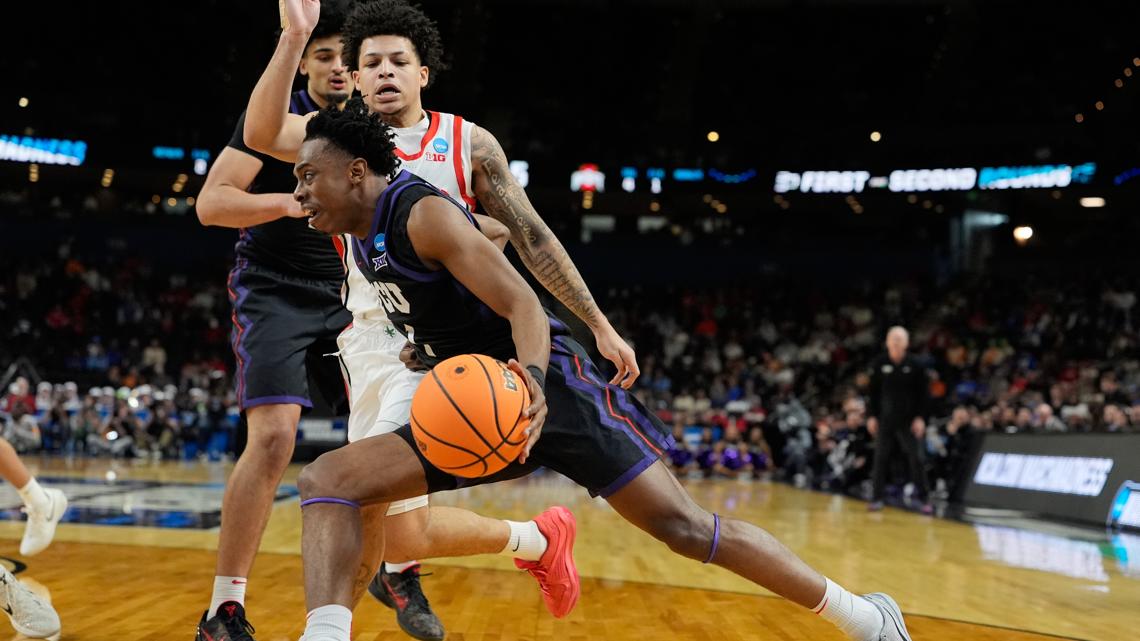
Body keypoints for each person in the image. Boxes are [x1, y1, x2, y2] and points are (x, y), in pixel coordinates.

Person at [287, 102, 912, 641]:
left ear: (356, 172)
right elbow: (485, 244)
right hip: (477, 404)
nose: (299, 194)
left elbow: (523, 303)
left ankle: (866, 619)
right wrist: (428, 344)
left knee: (685, 529)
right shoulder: (360, 235)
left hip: (549, 387)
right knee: (331, 480)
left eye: (308, 177)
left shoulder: (421, 214)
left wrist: (530, 379)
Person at [244, 1, 640, 637]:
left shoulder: (467, 141)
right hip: (366, 340)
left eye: (398, 61)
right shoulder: (336, 137)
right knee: (399, 524)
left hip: (441, 342)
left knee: (357, 503)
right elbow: (261, 134)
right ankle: (534, 540)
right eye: (370, 63)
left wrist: (596, 321)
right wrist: (293, 36)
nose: (385, 72)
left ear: (423, 72)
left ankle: (335, 624)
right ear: (353, 75)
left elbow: (532, 236)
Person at [193, 6, 361, 638]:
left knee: (390, 435)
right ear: (305, 62)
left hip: (356, 291)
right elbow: (212, 204)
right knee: (272, 438)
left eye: (349, 56)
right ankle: (224, 607)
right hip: (277, 287)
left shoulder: (381, 124)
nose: (338, 67)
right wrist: (292, 202)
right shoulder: (275, 119)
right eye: (325, 55)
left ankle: (396, 568)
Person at [865, 327, 931, 514]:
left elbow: (924, 395)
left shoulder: (916, 365)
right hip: (885, 419)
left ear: (906, 343)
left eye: (899, 339)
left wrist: (920, 417)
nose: (895, 342)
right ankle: (877, 498)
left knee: (916, 458)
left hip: (908, 420)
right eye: (892, 338)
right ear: (887, 342)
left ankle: (924, 498)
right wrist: (871, 416)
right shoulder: (879, 363)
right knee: (880, 458)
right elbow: (872, 394)